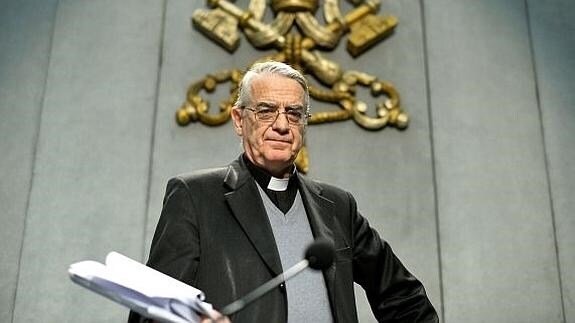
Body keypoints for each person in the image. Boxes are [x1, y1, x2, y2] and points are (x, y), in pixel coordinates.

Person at [129, 61, 438, 322]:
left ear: (305, 123)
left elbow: (405, 298)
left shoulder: (337, 207)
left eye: (294, 113)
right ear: (239, 119)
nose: (281, 125)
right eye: (266, 111)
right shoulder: (195, 197)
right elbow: (150, 312)